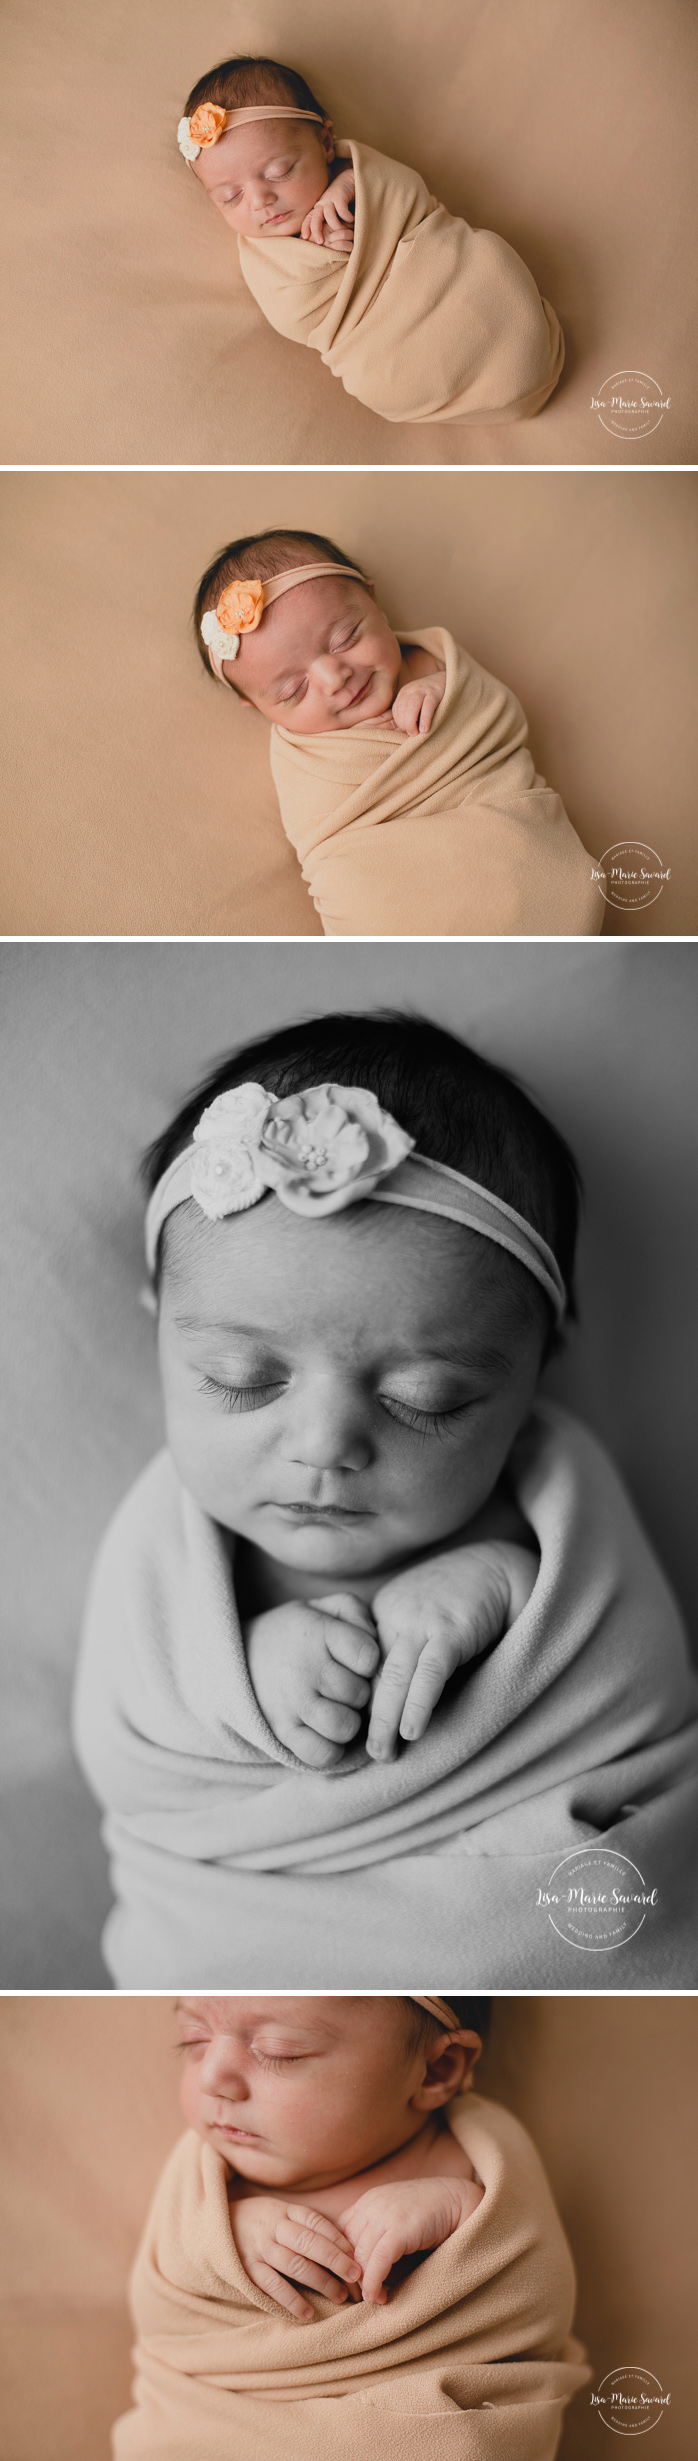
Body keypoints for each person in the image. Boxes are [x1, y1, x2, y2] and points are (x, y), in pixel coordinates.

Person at [73, 1012, 698, 1988]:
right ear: (161, 1331)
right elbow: (144, 1735)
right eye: (241, 1377)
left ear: (535, 1371)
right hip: (232, 1924)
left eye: (426, 1399)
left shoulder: (549, 1502)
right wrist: (248, 1674)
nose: (324, 1447)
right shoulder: (169, 1548)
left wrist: (497, 1576)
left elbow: (624, 1687)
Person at [112, 1992, 590, 2459]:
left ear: (436, 2071)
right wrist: (228, 2235)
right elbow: (165, 2297)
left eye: (280, 2050)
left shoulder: (476, 2159)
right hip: (217, 2429)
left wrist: (460, 2206)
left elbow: (532, 2284)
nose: (213, 2078)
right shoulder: (208, 2176)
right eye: (193, 2040)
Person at [193, 527, 601, 935]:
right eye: (293, 690)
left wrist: (439, 689)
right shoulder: (300, 758)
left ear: (372, 600)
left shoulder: (433, 662)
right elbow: (327, 846)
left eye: (344, 638)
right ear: (258, 707)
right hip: (395, 886)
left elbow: (500, 717)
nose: (334, 678)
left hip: (512, 836)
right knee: (355, 889)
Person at [176, 54, 564, 427]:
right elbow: (293, 317)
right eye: (231, 197)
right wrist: (323, 257)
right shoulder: (264, 261)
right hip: (388, 352)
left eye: (280, 171)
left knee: (490, 259)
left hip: (452, 277)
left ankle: (525, 350)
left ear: (326, 143)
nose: (260, 201)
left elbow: (407, 193)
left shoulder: (356, 174)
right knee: (382, 382)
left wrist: (349, 184)